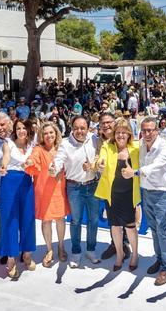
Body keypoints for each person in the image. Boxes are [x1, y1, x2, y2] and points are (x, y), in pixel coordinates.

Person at [129, 116, 166, 286]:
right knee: (154, 229)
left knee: (162, 230)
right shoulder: (141, 144)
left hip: (162, 192)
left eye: (150, 130)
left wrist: (135, 172)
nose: (147, 133)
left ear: (156, 131)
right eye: (144, 130)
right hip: (147, 190)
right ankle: (160, 259)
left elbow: (155, 165)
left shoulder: (165, 146)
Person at [50, 115, 100, 268]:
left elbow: (100, 156)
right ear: (72, 128)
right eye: (76, 128)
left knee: (94, 220)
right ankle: (76, 252)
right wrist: (54, 169)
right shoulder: (65, 144)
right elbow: (59, 160)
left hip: (92, 186)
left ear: (88, 128)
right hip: (74, 188)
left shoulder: (94, 139)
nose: (80, 131)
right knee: (76, 221)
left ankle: (91, 250)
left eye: (83, 128)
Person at [94, 118, 140, 271]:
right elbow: (102, 158)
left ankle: (134, 255)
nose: (121, 135)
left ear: (129, 134)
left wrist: (133, 173)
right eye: (118, 132)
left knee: (130, 227)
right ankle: (119, 254)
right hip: (112, 195)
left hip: (129, 194)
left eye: (124, 133)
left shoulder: (136, 148)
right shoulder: (108, 146)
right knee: (115, 226)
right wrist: (100, 164)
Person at [24, 121, 69, 268]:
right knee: (46, 221)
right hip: (43, 190)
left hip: (59, 189)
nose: (49, 135)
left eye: (51, 132)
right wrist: (30, 161)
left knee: (60, 219)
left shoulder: (62, 148)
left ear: (56, 133)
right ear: (41, 136)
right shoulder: (38, 149)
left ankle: (61, 246)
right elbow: (33, 159)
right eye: (46, 133)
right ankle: (49, 249)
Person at [0, 119, 37, 278]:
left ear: (28, 130)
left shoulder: (32, 145)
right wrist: (3, 167)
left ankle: (27, 254)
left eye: (24, 128)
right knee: (10, 220)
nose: (21, 130)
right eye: (18, 128)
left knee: (28, 218)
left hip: (26, 182)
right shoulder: (8, 143)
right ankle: (11, 258)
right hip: (9, 181)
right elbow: (5, 157)